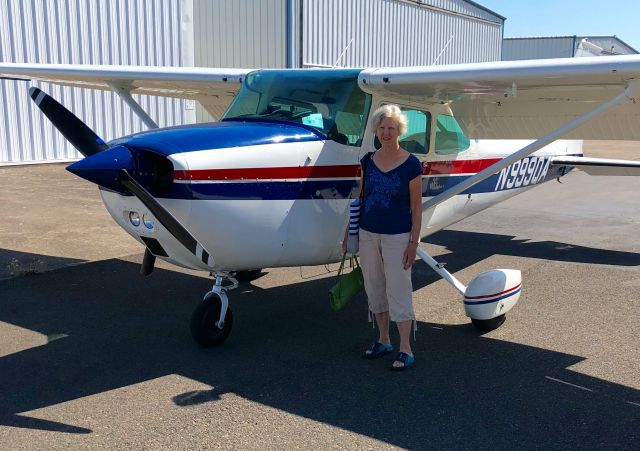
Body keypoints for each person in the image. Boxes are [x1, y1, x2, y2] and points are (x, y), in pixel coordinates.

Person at [342, 104, 423, 371]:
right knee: (374, 287)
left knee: (398, 290)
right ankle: (383, 340)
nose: (386, 132)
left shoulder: (411, 164)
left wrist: (413, 243)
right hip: (368, 233)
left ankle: (406, 349)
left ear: (399, 130)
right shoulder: (367, 160)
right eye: (382, 127)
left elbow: (416, 207)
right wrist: (348, 231)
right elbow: (361, 198)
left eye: (392, 128)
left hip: (397, 237)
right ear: (376, 130)